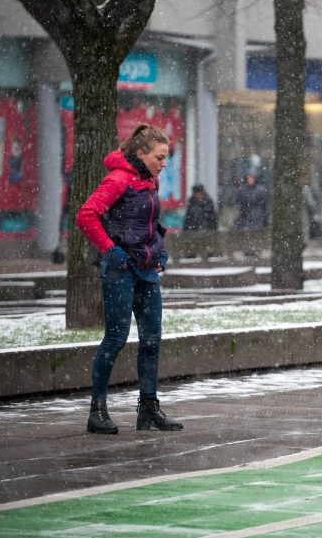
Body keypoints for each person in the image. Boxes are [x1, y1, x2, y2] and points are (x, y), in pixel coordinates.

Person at [75, 124, 183, 435]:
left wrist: (158, 251)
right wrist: (110, 251)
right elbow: (87, 215)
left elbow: (147, 223)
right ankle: (97, 412)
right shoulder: (118, 179)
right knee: (116, 339)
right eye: (160, 157)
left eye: (165, 158)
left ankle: (148, 410)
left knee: (151, 341)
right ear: (140, 154)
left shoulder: (150, 179)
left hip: (147, 270)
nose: (164, 164)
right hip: (120, 270)